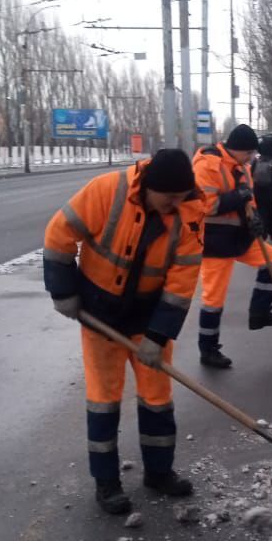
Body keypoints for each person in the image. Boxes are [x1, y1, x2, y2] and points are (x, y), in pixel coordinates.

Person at [43, 149, 205, 514]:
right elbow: (58, 234)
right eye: (169, 198)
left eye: (181, 197)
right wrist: (64, 291)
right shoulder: (106, 191)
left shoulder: (190, 215)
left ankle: (159, 473)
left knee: (157, 396)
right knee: (104, 399)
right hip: (101, 314)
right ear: (150, 186)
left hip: (148, 316)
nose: (175, 204)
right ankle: (107, 483)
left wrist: (157, 336)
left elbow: (181, 282)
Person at [193, 123, 272, 369]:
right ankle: (208, 349)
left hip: (240, 237)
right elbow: (206, 206)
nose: (252, 158)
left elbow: (250, 197)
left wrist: (255, 218)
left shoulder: (243, 166)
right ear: (237, 149)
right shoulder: (207, 165)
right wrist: (239, 197)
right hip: (214, 241)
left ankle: (259, 313)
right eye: (249, 153)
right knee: (213, 298)